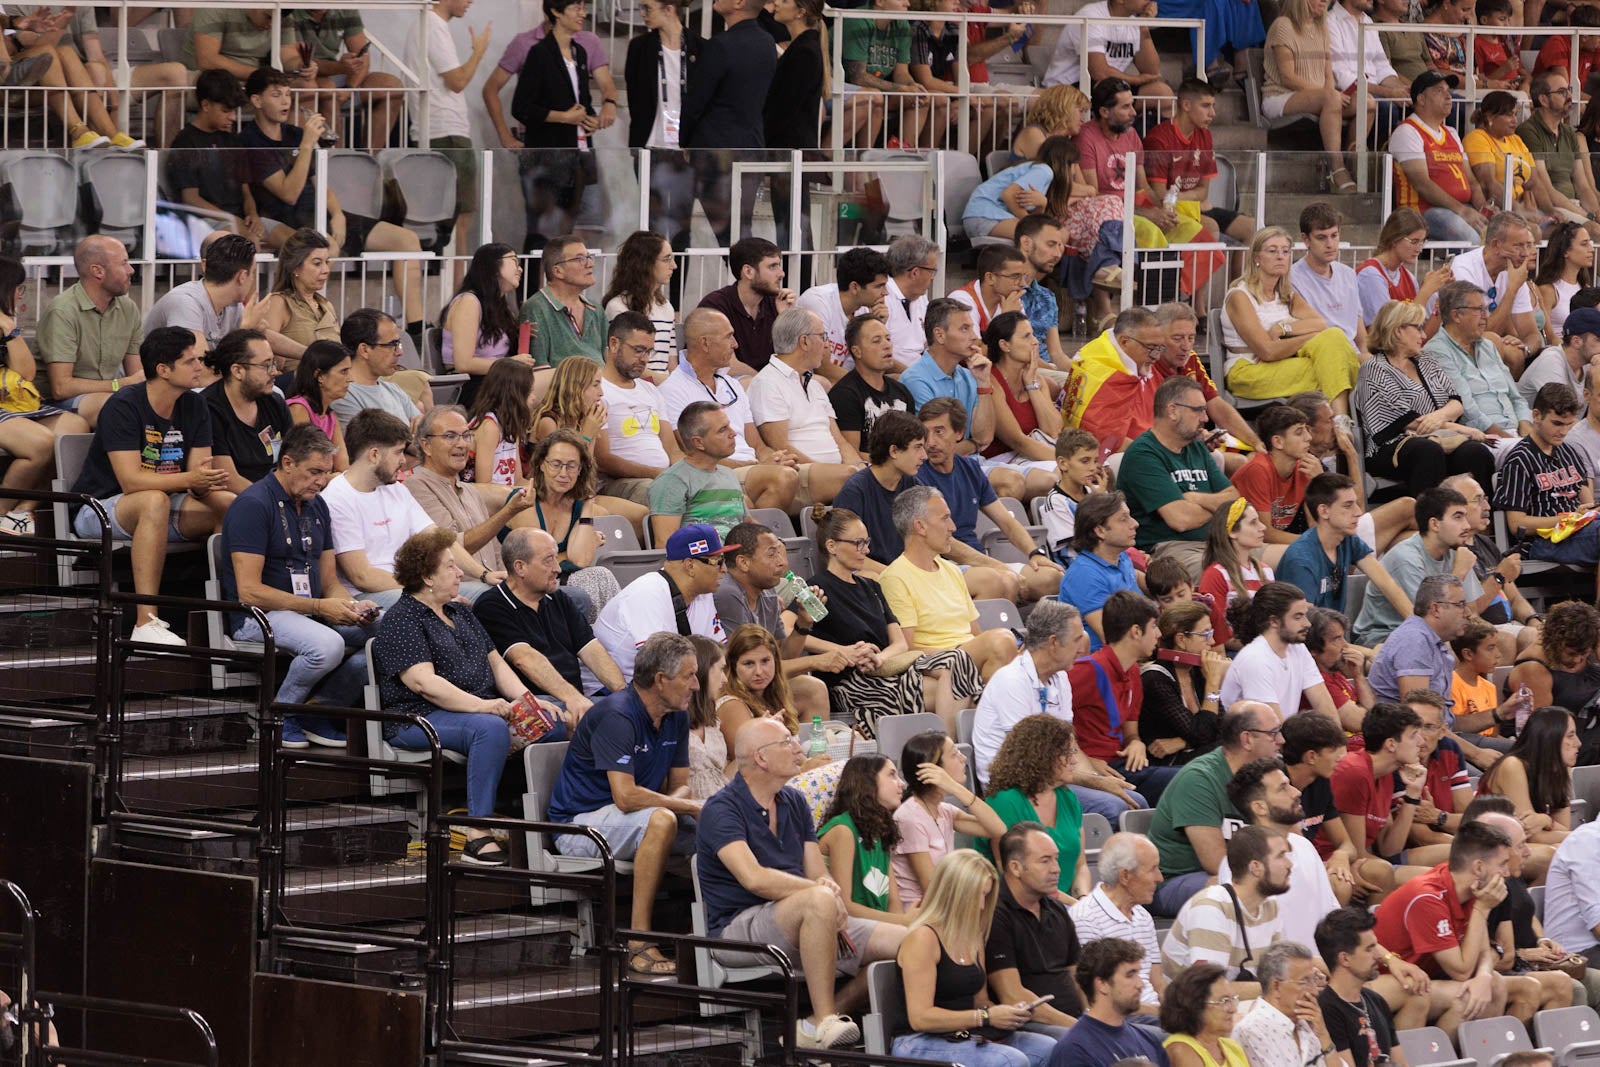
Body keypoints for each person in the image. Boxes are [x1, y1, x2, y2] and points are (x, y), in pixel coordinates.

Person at [697, 715, 904, 1050]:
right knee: (819, 900)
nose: (798, 748)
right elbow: (754, 878)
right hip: (738, 926)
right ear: (762, 757)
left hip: (804, 913)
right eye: (787, 742)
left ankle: (813, 1026)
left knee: (913, 941)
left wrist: (825, 884)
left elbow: (814, 871)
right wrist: (822, 891)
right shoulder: (721, 808)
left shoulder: (794, 801)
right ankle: (825, 1022)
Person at [546, 630, 700, 974]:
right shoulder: (617, 715)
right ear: (661, 680)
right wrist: (680, 807)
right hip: (578, 826)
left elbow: (682, 787)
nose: (697, 686)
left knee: (720, 830)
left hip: (633, 819)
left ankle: (711, 936)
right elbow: (627, 797)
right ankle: (638, 943)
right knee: (663, 819)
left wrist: (680, 806)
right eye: (689, 676)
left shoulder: (676, 714)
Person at [371, 528, 528, 866]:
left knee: (557, 718)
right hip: (418, 717)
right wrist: (486, 706)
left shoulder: (461, 613)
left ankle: (546, 822)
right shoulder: (402, 620)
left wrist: (528, 701)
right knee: (490, 729)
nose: (460, 573)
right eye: (451, 567)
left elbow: (497, 664)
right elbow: (425, 685)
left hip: (474, 709)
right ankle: (476, 833)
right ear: (427, 576)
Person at [71, 327, 230, 645]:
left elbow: (199, 472)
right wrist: (190, 480)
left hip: (164, 501)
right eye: (191, 361)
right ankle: (146, 622)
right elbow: (131, 482)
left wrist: (206, 484)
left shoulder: (195, 406)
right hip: (101, 508)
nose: (200, 366)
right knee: (153, 500)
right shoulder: (124, 405)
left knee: (232, 508)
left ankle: (230, 613)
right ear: (163, 369)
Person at [220, 423, 376, 747]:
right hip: (258, 615)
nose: (322, 481)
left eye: (327, 472)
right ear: (287, 463)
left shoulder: (317, 505)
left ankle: (317, 710)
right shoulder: (253, 504)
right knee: (327, 646)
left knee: (390, 631)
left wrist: (350, 606)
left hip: (308, 611)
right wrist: (320, 607)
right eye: (314, 472)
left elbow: (330, 581)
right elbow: (249, 590)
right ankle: (279, 715)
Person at [240, 68, 424, 324]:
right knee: (327, 247)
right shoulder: (250, 141)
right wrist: (306, 145)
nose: (285, 101)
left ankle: (416, 328)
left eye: (287, 94)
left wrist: (337, 214)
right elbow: (288, 193)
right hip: (288, 218)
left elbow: (320, 181)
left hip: (320, 213)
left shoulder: (294, 133)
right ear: (257, 101)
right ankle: (318, 323)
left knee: (407, 240)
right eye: (276, 95)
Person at [806, 504, 980, 735]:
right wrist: (843, 651)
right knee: (965, 689)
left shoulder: (872, 587)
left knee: (959, 661)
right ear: (832, 546)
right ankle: (947, 750)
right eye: (858, 543)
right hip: (851, 682)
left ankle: (947, 748)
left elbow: (899, 643)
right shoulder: (816, 588)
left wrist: (879, 658)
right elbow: (791, 632)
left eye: (867, 542)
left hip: (885, 670)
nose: (866, 550)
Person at [972, 597, 1143, 817]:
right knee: (1113, 807)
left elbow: (1068, 744)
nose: (1084, 645)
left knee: (1136, 800)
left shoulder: (1060, 678)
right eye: (1077, 639)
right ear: (1053, 642)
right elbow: (1029, 760)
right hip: (1015, 787)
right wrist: (1095, 782)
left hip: (1050, 778)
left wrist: (1100, 780)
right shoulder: (1012, 680)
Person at [891, 847, 1057, 1066]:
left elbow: (980, 1002)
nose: (982, 905)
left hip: (965, 1033)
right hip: (918, 1040)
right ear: (954, 895)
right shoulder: (923, 938)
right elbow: (920, 1018)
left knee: (1050, 1048)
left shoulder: (973, 935)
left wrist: (1007, 1014)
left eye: (986, 895)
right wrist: (985, 1017)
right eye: (978, 895)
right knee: (1009, 1060)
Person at [322, 410, 500, 611]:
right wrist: (427, 590)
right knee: (449, 607)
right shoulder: (337, 498)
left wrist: (483, 574)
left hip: (411, 588)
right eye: (398, 452)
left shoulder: (396, 489)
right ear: (374, 455)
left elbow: (439, 539)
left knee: (496, 596)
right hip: (369, 597)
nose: (404, 461)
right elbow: (362, 576)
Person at [1372, 819, 1544, 1027]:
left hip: (1424, 979)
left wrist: (1483, 976)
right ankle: (1441, 1057)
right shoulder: (1428, 898)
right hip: (1386, 981)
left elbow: (1485, 952)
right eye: (1502, 864)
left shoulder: (1469, 886)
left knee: (1494, 984)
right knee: (1469, 997)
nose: (1507, 873)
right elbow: (1461, 971)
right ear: (1478, 867)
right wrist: (1482, 910)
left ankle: (1480, 1056)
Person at [665, 307, 826, 511]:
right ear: (705, 343)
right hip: (718, 472)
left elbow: (758, 445)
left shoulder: (731, 385)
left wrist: (771, 458)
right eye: (729, 337)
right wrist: (760, 466)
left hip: (754, 468)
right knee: (784, 477)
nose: (735, 344)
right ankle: (752, 537)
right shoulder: (673, 389)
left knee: (850, 477)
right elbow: (693, 456)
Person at [918, 397, 1062, 602]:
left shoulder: (970, 469)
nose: (930, 442)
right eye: (925, 433)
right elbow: (944, 542)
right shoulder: (917, 475)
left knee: (1051, 578)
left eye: (939, 432)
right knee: (1004, 580)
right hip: (944, 564)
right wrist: (998, 567)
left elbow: (1007, 522)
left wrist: (1034, 553)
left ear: (959, 433)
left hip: (979, 562)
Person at [1146, 703, 1282, 915]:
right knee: (1239, 889)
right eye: (1273, 734)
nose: (1281, 741)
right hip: (1176, 881)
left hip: (1241, 871)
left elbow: (1291, 837)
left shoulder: (1268, 775)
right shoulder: (1199, 780)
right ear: (1247, 739)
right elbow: (1217, 862)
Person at [472, 527, 626, 715]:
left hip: (574, 700)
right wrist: (573, 698)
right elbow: (524, 658)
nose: (558, 569)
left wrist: (623, 694)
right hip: (532, 706)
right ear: (520, 567)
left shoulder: (559, 599)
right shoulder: (491, 606)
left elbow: (592, 650)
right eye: (548, 560)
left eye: (556, 558)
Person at [1353, 298, 1496, 498]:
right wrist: (1464, 430)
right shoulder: (1374, 368)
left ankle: (1481, 521)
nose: (1424, 334)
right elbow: (1408, 422)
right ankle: (1428, 522)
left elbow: (1456, 402)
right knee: (1428, 451)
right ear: (1398, 330)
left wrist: (1439, 418)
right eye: (1418, 328)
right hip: (1391, 446)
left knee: (1475, 453)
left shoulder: (1426, 360)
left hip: (1439, 438)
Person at [876, 485, 1021, 678]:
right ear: (920, 526)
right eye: (944, 518)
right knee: (1002, 639)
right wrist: (959, 651)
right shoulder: (895, 577)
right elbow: (908, 649)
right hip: (936, 661)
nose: (952, 527)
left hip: (965, 654)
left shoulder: (952, 570)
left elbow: (975, 633)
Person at [1220, 228, 1362, 414]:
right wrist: (1309, 336)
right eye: (1272, 251)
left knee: (1333, 344)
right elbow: (1267, 351)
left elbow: (1320, 324)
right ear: (1256, 258)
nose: (1280, 256)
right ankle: (1341, 423)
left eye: (1285, 251)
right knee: (1338, 366)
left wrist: (1283, 328)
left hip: (1283, 365)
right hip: (1248, 370)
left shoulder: (1286, 294)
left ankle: (1339, 423)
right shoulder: (1240, 295)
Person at [711, 522, 837, 721]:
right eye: (772, 555)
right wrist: (815, 661)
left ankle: (809, 750)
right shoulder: (727, 594)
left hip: (758, 685)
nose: (782, 563)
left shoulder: (768, 592)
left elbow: (784, 655)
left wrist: (803, 624)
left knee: (812, 689)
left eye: (781, 554)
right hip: (729, 688)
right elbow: (742, 669)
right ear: (743, 563)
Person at [1067, 590, 1182, 805]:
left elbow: (1131, 733)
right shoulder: (1086, 671)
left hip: (1124, 766)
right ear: (1136, 631)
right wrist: (1085, 762)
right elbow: (1048, 721)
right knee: (1187, 781)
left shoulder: (1132, 671)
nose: (1159, 634)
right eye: (1154, 626)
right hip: (1097, 771)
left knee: (1192, 776)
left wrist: (1136, 743)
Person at [1119, 376, 1239, 579]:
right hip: (1169, 551)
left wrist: (1196, 498)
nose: (1205, 418)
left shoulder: (1195, 446)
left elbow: (1235, 498)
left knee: (1289, 557)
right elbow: (1181, 519)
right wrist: (1218, 506)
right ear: (1172, 410)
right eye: (1198, 410)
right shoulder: (1143, 454)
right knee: (1229, 574)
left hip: (1218, 543)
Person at [404, 405, 528, 600]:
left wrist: (512, 581)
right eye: (450, 436)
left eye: (466, 436)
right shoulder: (416, 486)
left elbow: (495, 551)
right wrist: (507, 512)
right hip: (458, 590)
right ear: (426, 445)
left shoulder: (470, 491)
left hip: (490, 585)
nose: (462, 444)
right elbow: (452, 546)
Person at [1217, 758, 1340, 950]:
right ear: (1259, 807)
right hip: (1281, 976)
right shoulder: (1239, 864)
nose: (1296, 792)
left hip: (1322, 969)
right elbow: (1253, 946)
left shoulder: (1304, 846)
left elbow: (1332, 916)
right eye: (1283, 788)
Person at [1160, 825, 1290, 998]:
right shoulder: (1211, 907)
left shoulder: (1270, 905)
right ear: (1256, 867)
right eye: (1281, 856)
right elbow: (1209, 989)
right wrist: (1281, 989)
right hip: (1191, 1016)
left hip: (1238, 1009)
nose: (1290, 864)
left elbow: (1278, 972)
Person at [1495, 383, 1600, 594]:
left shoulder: (1568, 451)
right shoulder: (1520, 459)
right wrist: (1567, 518)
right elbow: (1517, 525)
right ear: (1536, 415)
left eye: (1568, 425)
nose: (1562, 431)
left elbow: (1586, 501)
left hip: (1577, 532)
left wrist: (1588, 512)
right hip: (1543, 540)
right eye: (1557, 423)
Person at [591, 522, 730, 679]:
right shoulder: (647, 594)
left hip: (658, 685)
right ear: (690, 565)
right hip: (609, 691)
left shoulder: (703, 594)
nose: (724, 569)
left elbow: (717, 656)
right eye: (717, 561)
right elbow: (658, 670)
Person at [619, 0, 702, 260]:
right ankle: (650, 295)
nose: (642, 14)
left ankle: (674, 296)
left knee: (681, 229)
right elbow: (635, 97)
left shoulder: (700, 47)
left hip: (685, 149)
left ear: (669, 9)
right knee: (652, 230)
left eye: (648, 8)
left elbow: (704, 99)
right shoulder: (640, 47)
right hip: (650, 146)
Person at [893, 731, 1007, 908]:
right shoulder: (910, 817)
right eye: (955, 754)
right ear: (934, 769)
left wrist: (957, 789)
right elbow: (931, 887)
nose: (963, 758)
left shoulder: (944, 811)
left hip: (948, 903)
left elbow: (998, 830)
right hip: (922, 909)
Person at [1353, 488, 1480, 646]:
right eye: (1458, 518)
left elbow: (1472, 612)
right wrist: (1459, 573)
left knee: (1497, 642)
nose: (1467, 526)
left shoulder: (1456, 551)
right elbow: (1429, 619)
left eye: (1465, 518)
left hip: (1432, 632)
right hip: (1384, 637)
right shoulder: (1406, 558)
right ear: (1434, 524)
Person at [982, 715, 1090, 898]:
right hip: (1017, 907)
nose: (1074, 761)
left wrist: (1083, 899)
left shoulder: (1067, 797)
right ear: (1042, 756)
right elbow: (1012, 876)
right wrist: (1072, 907)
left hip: (1062, 906)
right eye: (1067, 753)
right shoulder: (1005, 801)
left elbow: (1081, 865)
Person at [1220, 578, 1354, 726]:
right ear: (1274, 621)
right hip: (1259, 743)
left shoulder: (1298, 648)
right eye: (1298, 617)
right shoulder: (1255, 659)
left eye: (1305, 615)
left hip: (1281, 741)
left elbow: (1325, 706)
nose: (1307, 624)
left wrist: (1336, 745)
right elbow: (1274, 727)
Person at [39, 235, 141, 427]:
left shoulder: (128, 309)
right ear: (98, 271)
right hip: (56, 404)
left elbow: (137, 375)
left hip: (108, 396)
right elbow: (61, 388)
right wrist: (119, 385)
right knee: (118, 407)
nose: (131, 270)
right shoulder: (63, 311)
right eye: (124, 263)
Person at [1263, 0, 1362, 195]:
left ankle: (1353, 159)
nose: (1325, 1)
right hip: (1281, 96)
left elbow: (1327, 75)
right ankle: (1337, 167)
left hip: (1320, 97)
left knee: (1366, 102)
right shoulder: (1283, 25)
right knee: (1330, 99)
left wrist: (1329, 93)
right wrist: (1328, 95)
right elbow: (1288, 77)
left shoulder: (1321, 27)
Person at [522, 429, 624, 620]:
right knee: (592, 578)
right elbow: (535, 564)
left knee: (599, 575)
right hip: (526, 585)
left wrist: (587, 505)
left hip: (560, 580)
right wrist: (588, 542)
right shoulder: (526, 501)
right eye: (556, 464)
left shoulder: (576, 506)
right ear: (542, 465)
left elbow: (580, 560)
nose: (563, 473)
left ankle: (609, 638)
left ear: (580, 471)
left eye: (571, 466)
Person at [1144, 80, 1258, 248]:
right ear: (1186, 105)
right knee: (1211, 227)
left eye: (1213, 106)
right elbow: (1161, 197)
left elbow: (1203, 192)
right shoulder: (1159, 139)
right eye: (1206, 106)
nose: (1212, 113)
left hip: (1193, 207)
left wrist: (1179, 196)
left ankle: (1241, 276)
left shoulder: (1204, 135)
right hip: (1166, 211)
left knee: (1252, 228)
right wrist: (1191, 197)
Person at [748, 308, 864, 472]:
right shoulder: (767, 383)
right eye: (823, 336)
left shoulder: (814, 385)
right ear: (804, 341)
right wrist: (831, 474)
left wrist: (861, 470)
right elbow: (780, 447)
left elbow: (840, 441)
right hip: (803, 474)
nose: (827, 345)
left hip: (839, 474)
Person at [1068, 834, 1168, 1012]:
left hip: (1154, 1015)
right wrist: (1161, 1014)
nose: (1159, 878)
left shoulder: (1143, 916)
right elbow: (1098, 1002)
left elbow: (1158, 983)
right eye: (1152, 869)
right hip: (1123, 1021)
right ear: (1125, 876)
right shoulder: (1086, 919)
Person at [594, 311, 682, 507]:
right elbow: (603, 459)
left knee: (718, 490)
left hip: (660, 479)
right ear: (614, 344)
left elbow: (673, 450)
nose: (644, 359)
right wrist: (656, 473)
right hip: (616, 482)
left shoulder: (651, 390)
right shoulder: (597, 390)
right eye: (638, 350)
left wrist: (687, 474)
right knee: (665, 493)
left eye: (649, 351)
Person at [164, 70, 263, 244]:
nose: (232, 117)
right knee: (245, 242)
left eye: (233, 111)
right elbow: (190, 199)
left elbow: (245, 190)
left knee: (294, 241)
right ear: (206, 105)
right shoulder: (186, 141)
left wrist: (252, 214)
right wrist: (230, 218)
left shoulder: (232, 139)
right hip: (202, 221)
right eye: (225, 111)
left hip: (239, 219)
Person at [1392, 70, 1491, 242]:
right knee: (1472, 238)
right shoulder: (1407, 132)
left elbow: (1473, 183)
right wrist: (1462, 210)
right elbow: (1422, 184)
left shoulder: (1451, 133)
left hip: (1460, 208)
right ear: (1421, 99)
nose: (1448, 95)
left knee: (1503, 233)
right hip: (1423, 213)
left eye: (1448, 90)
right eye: (1439, 90)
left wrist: (1483, 210)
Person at [1275, 474, 1396, 615]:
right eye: (1348, 506)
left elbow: (1387, 584)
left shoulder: (1347, 539)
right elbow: (1304, 624)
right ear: (1324, 511)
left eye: (1356, 504)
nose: (1358, 512)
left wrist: (1415, 621)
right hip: (1310, 632)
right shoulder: (1301, 560)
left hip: (1332, 631)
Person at [1048, 937, 1171, 1067]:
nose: (1140, 984)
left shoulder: (1149, 1040)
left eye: (1138, 974)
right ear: (1103, 984)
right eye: (1130, 975)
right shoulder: (1074, 1050)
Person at [1331, 701, 1427, 866]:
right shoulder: (1355, 772)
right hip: (1337, 864)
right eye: (1413, 735)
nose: (1421, 742)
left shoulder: (1385, 774)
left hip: (1371, 860)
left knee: (1451, 856)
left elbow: (1389, 848)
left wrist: (1413, 794)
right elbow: (1357, 854)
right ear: (1391, 744)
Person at [818, 755, 912, 925]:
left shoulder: (880, 829)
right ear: (867, 782)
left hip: (877, 925)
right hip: (845, 926)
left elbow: (893, 902)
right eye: (891, 775)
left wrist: (902, 922)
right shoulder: (843, 831)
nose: (902, 784)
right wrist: (903, 922)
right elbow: (845, 905)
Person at [982, 312, 1063, 498]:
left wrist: (1031, 385)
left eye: (1033, 334)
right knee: (1063, 475)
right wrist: (1067, 461)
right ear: (1005, 345)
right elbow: (1016, 440)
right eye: (1027, 336)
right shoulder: (991, 381)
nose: (1035, 341)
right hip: (1002, 460)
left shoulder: (1036, 379)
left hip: (1033, 457)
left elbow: (1053, 430)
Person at [900, 299, 997, 455]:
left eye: (972, 328)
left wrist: (984, 382)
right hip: (934, 471)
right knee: (1011, 479)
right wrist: (973, 444)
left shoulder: (970, 375)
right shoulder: (915, 380)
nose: (974, 337)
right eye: (964, 329)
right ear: (940, 335)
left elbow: (985, 437)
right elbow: (934, 450)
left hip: (970, 463)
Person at [1064, 307, 1162, 458]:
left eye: (1159, 348)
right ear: (1124, 341)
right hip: (1093, 458)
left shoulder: (1107, 350)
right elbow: (1108, 442)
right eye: (1151, 348)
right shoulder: (1108, 375)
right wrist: (1160, 452)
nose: (1157, 357)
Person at [1314, 907, 1407, 1067]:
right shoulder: (1327, 1010)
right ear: (1345, 959)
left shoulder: (1376, 1000)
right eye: (1369, 949)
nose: (1378, 956)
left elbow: (1400, 1063)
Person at [201, 329, 292, 492]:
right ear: (237, 371)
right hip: (240, 497)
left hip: (276, 490)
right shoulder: (208, 408)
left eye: (273, 364)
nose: (274, 372)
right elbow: (228, 479)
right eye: (266, 365)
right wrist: (275, 503)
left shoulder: (275, 402)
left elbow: (293, 457)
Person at [1140, 602, 1227, 766]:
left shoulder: (1197, 670)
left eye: (1212, 632)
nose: (1213, 641)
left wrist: (1182, 742)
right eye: (1205, 634)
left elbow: (1222, 730)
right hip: (1168, 764)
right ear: (1181, 639)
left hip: (1195, 754)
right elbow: (1203, 735)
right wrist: (1213, 684)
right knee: (1234, 751)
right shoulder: (1155, 678)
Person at [1450, 212, 1545, 361]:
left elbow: (1532, 335)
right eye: (1518, 246)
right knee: (1496, 343)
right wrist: (1512, 289)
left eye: (1528, 245)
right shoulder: (1464, 268)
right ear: (1496, 245)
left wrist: (1524, 349)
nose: (1526, 253)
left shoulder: (1514, 269)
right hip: (1458, 349)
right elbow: (1477, 335)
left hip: (1494, 349)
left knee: (1515, 353)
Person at [1478, 707, 1580, 846]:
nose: (1578, 743)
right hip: (1490, 846)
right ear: (1550, 738)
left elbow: (1563, 828)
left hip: (1519, 847)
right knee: (1557, 852)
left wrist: (1546, 821)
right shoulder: (1512, 765)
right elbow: (1531, 835)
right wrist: (1582, 837)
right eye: (1570, 735)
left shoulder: (1562, 768)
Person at [442, 243, 527, 410]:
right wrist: (509, 364)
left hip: (496, 379)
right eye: (514, 261)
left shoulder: (498, 305)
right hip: (470, 384)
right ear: (493, 266)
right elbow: (463, 364)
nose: (520, 269)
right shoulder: (468, 302)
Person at [648, 401, 747, 542]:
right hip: (701, 562)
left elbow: (747, 524)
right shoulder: (672, 481)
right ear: (698, 442)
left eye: (729, 426)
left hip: (738, 559)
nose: (733, 433)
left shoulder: (729, 475)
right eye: (722, 429)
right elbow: (666, 545)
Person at [1231, 941, 1341, 1067]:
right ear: (1276, 986)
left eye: (1314, 980)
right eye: (1304, 982)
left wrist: (1323, 1035)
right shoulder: (1251, 1031)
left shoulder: (1309, 1025)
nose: (1315, 991)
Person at [696, 238, 796, 375]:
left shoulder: (777, 303)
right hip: (727, 384)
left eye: (779, 265)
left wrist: (785, 319)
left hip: (768, 384)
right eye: (772, 266)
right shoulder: (716, 305)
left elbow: (794, 360)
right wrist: (766, 383)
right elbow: (727, 365)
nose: (781, 274)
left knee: (821, 383)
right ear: (748, 271)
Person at [794, 247, 891, 382]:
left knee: (897, 380)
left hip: (846, 382)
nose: (885, 293)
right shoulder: (818, 301)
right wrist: (867, 387)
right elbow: (823, 367)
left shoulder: (863, 310)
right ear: (854, 287)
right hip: (813, 382)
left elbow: (873, 363)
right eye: (879, 286)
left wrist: (879, 325)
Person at [1060, 492, 1141, 651]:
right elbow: (1115, 640)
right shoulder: (1084, 575)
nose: (1135, 523)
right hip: (1103, 666)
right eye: (1123, 519)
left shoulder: (1122, 558)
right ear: (1100, 531)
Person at [1519, 72, 1600, 230]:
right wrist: (1588, 218)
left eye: (1568, 90)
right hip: (1551, 208)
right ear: (1543, 100)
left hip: (1575, 206)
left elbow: (1582, 185)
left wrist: (1596, 212)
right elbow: (1547, 189)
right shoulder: (1528, 131)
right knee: (1594, 231)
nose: (1569, 95)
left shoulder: (1569, 132)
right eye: (1562, 92)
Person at [144, 233, 256, 347]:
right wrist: (244, 332)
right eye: (253, 273)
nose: (253, 279)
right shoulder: (185, 302)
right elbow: (196, 362)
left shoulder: (234, 306)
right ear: (242, 276)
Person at [1228, 405, 1319, 546]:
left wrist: (1319, 481)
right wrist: (1313, 543)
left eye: (1307, 430)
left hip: (1270, 542)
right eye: (1299, 432)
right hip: (1239, 543)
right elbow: (1265, 533)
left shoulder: (1306, 467)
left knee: (1345, 543)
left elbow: (1316, 525)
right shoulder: (1258, 470)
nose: (1309, 438)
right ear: (1278, 442)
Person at [254, 228, 338, 372]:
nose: (326, 270)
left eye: (326, 262)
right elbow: (267, 357)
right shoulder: (278, 302)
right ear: (295, 268)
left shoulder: (327, 306)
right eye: (317, 263)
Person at [830, 316, 917, 453]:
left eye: (888, 339)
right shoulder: (844, 395)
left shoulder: (902, 391)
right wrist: (893, 464)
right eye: (877, 341)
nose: (887, 345)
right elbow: (851, 454)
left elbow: (913, 442)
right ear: (857, 351)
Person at [602, 230, 679, 383]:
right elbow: (620, 360)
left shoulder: (666, 306)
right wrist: (668, 383)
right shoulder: (618, 306)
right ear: (646, 264)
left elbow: (671, 363)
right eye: (666, 259)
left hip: (664, 385)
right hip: (635, 384)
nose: (674, 266)